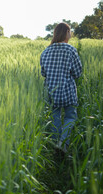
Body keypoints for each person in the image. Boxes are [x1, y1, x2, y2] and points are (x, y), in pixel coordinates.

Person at [40, 23, 82, 152]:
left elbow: (43, 73)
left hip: (51, 91)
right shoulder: (71, 50)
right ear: (67, 32)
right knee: (70, 116)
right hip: (67, 90)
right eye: (70, 31)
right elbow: (77, 72)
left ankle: (55, 144)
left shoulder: (46, 51)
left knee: (55, 117)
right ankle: (63, 143)